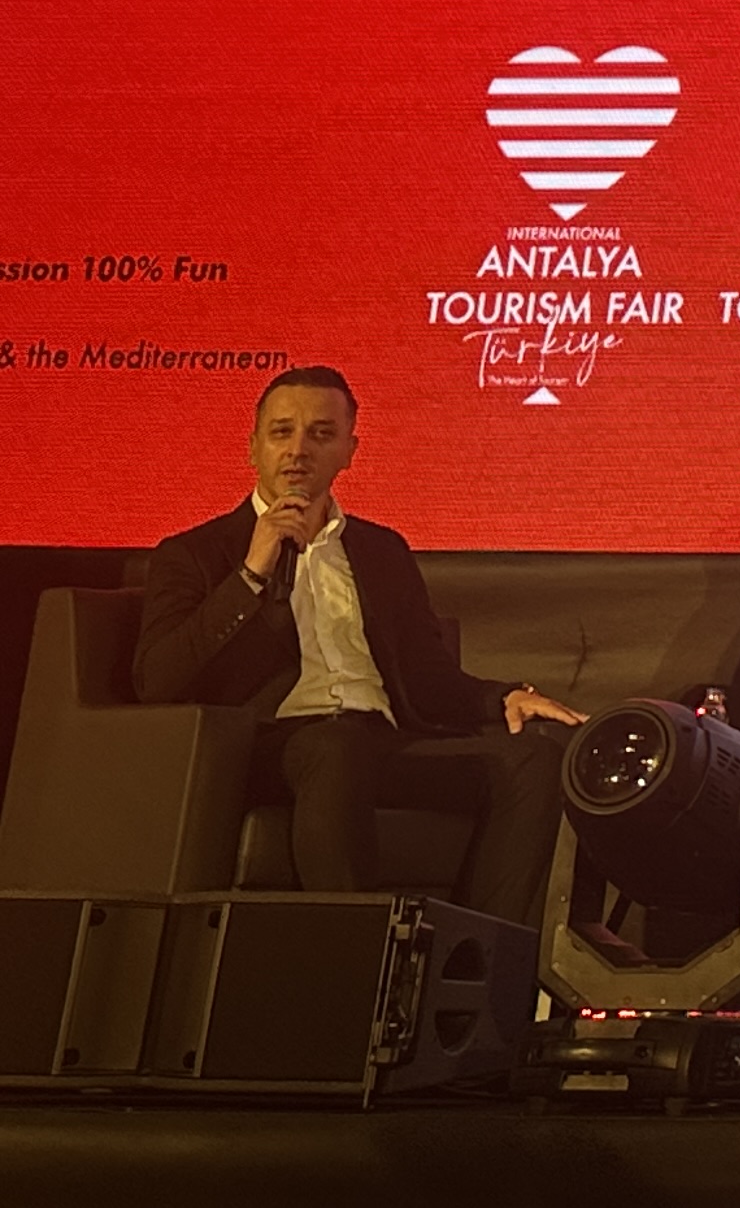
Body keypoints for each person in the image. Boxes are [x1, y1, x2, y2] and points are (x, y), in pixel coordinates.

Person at [134, 366, 585, 924]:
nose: (298, 450)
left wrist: (502, 698)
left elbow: (427, 674)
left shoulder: (380, 550)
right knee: (335, 746)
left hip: (380, 742)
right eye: (282, 432)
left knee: (534, 760)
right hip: (272, 746)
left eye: (321, 434)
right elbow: (159, 679)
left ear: (350, 451)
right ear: (253, 447)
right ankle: (354, 951)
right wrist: (251, 573)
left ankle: (478, 955)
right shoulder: (196, 553)